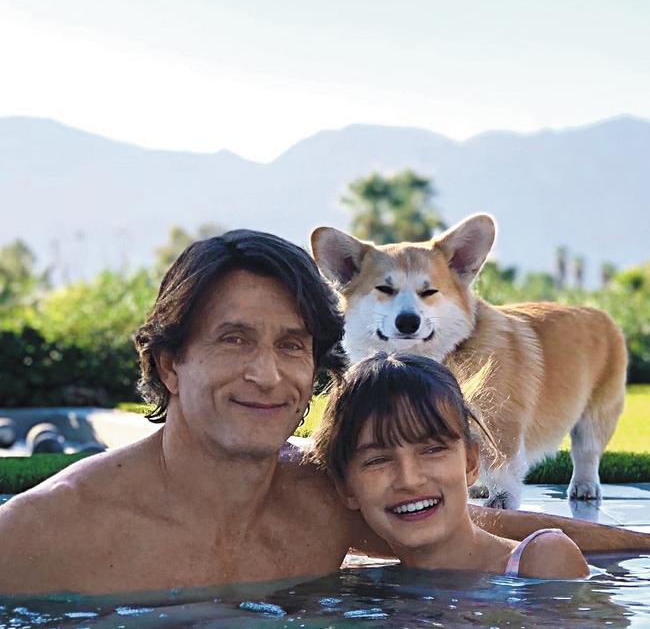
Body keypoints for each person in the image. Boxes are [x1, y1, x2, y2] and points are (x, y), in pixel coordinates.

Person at [0, 229, 646, 594]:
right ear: (170, 363)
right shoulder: (44, 534)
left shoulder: (319, 501)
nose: (268, 373)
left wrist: (643, 547)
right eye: (234, 340)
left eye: (292, 345)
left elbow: (468, 527)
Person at [311, 352, 589, 579]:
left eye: (432, 450)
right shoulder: (361, 586)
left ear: (470, 463)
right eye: (378, 460)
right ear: (346, 488)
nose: (409, 479)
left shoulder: (541, 561)